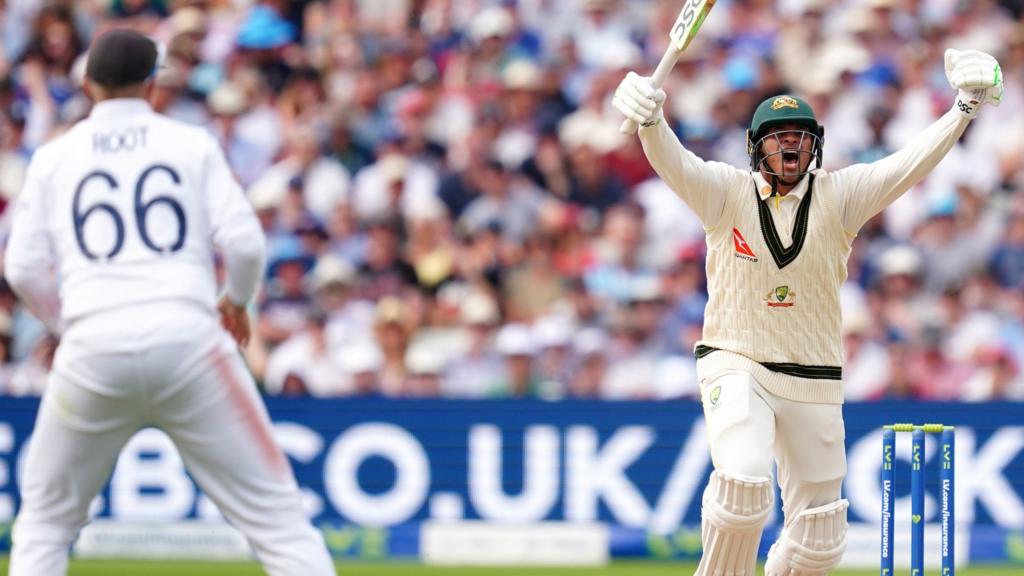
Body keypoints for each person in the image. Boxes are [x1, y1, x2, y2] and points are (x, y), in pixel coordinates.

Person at [612, 48, 1003, 576]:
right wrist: (652, 121)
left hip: (814, 375)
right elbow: (674, 162)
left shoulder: (840, 196)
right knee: (743, 490)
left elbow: (906, 166)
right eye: (779, 135)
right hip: (737, 359)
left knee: (820, 537)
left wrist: (964, 106)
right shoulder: (725, 193)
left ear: (814, 144)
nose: (790, 144)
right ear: (757, 148)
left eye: (799, 135)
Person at [4, 30, 336, 576]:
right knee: (280, 523)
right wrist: (235, 301)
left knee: (44, 524)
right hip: (189, 339)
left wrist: (70, 324)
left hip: (93, 347)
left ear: (88, 84)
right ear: (153, 85)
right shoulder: (191, 143)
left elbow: (20, 267)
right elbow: (247, 243)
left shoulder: (53, 157)